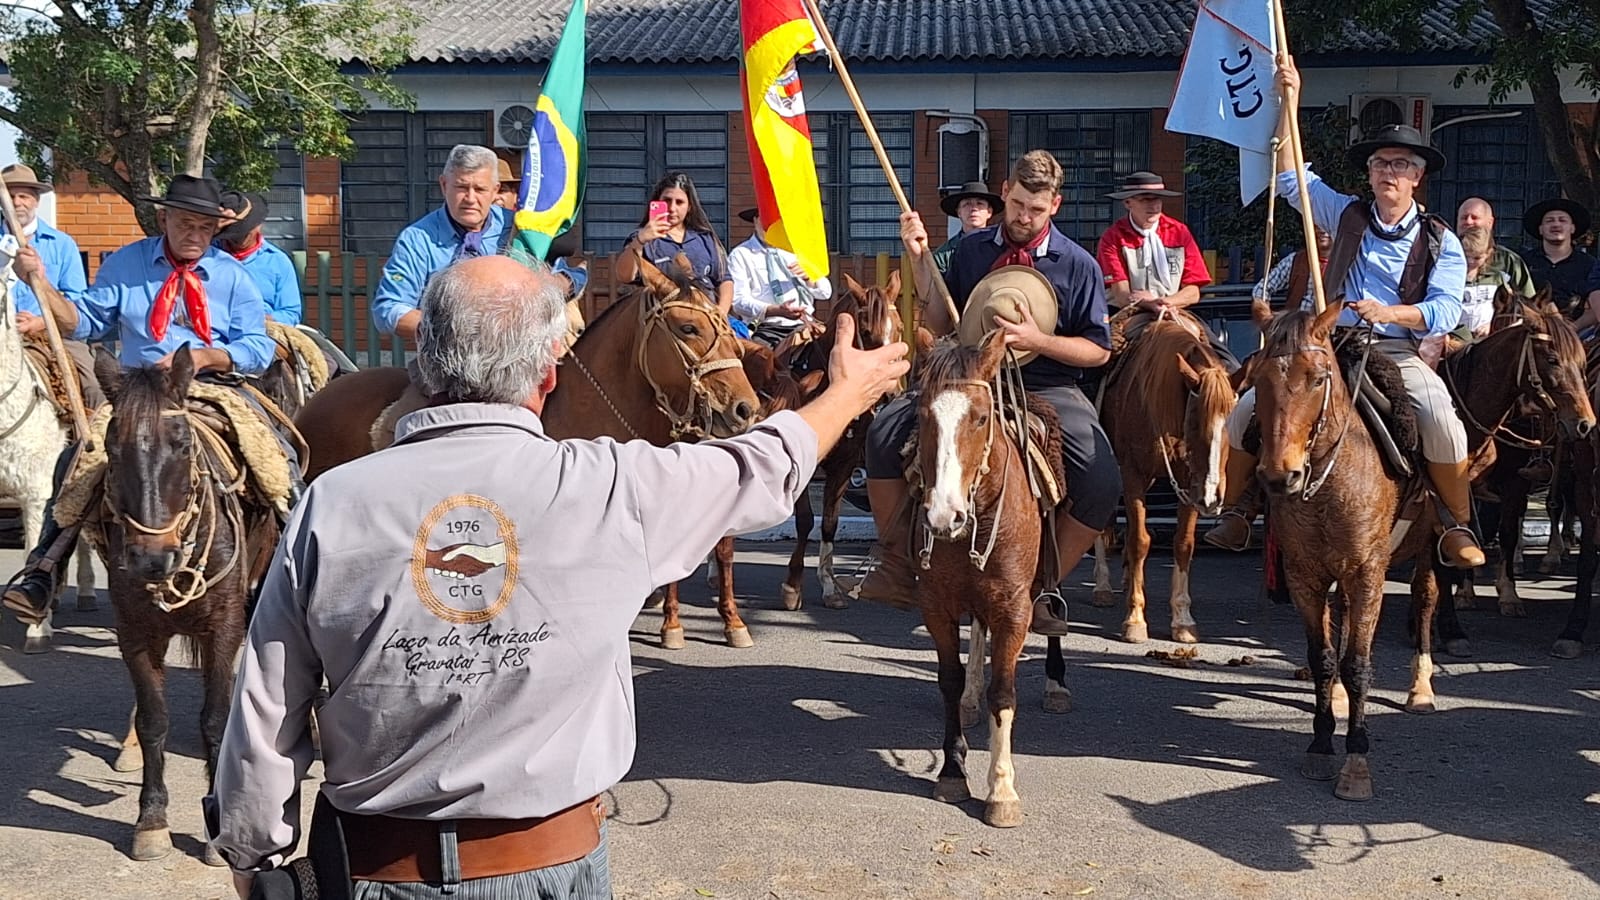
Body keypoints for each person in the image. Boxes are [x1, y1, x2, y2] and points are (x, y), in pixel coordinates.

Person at [208, 254, 910, 899]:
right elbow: (763, 465)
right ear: (549, 374)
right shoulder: (614, 485)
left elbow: (268, 701)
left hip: (375, 872)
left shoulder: (333, 502)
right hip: (553, 870)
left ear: (425, 362)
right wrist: (849, 391)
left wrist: (252, 855)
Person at [1204, 55, 1483, 570]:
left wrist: (1392, 312)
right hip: (1327, 344)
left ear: (1417, 178)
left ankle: (1454, 521)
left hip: (1393, 349)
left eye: (1400, 165)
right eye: (1381, 164)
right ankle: (1239, 508)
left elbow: (1445, 310)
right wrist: (1291, 101)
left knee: (1442, 418)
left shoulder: (1441, 240)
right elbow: (1291, 180)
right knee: (1247, 408)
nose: (1388, 173)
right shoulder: (1344, 211)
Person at [844, 150, 1121, 637]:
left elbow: (1098, 350)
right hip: (969, 380)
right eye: (1016, 203)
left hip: (1047, 384)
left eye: (1035, 209)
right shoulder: (971, 251)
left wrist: (1039, 341)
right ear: (1005, 190)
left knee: (1102, 479)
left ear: (1055, 205)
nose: (1023, 217)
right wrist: (918, 259)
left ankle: (1040, 585)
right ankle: (895, 564)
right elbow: (940, 323)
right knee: (884, 432)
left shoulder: (1078, 264)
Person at [2, 174, 278, 620]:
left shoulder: (232, 275)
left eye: (206, 228)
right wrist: (41, 284)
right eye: (187, 223)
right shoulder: (125, 265)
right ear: (163, 217)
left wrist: (208, 356)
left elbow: (258, 346)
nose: (196, 235)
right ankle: (44, 569)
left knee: (270, 453)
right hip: (138, 390)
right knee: (79, 458)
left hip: (211, 387)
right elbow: (83, 322)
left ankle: (291, 551)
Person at [371, 144, 587, 343]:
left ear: (495, 190)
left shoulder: (519, 229)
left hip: (518, 357)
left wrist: (557, 284)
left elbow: (571, 276)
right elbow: (388, 308)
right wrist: (450, 330)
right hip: (444, 360)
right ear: (444, 185)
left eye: (480, 189)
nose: (470, 198)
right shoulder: (417, 239)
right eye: (461, 187)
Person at [1097, 171, 1238, 370]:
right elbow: (1121, 295)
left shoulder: (1180, 232)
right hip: (1127, 312)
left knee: (1228, 365)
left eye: (1157, 199)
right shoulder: (1112, 238)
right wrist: (1147, 303)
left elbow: (1194, 291)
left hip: (1174, 309)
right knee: (1097, 362)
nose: (1153, 206)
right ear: (1128, 203)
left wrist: (1165, 302)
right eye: (1145, 199)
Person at [0, 163, 104, 407]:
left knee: (94, 386)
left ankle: (91, 441)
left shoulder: (62, 244)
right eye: (10, 196)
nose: (16, 203)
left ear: (36, 200)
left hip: (53, 336)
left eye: (24, 196)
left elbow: (76, 300)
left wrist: (39, 323)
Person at [614, 171, 735, 316]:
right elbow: (624, 276)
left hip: (706, 316)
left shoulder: (705, 239)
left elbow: (724, 280)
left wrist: (721, 311)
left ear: (689, 206)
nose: (672, 208)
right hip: (661, 320)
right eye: (667, 200)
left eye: (679, 202)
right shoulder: (640, 239)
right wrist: (641, 240)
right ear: (657, 202)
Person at [727, 206, 830, 346]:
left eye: (777, 222)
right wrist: (775, 310)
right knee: (761, 361)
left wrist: (810, 278)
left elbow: (825, 293)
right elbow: (738, 302)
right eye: (766, 221)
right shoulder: (741, 255)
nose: (771, 227)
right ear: (755, 220)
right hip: (765, 328)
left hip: (805, 325)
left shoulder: (799, 251)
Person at [216, 190, 302, 325]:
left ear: (258, 225)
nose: (239, 238)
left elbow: (291, 313)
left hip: (263, 329)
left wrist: (263, 319)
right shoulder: (209, 254)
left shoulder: (278, 261)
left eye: (244, 232)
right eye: (233, 233)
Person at [1521, 197, 1600, 329]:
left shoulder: (1590, 265)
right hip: (1532, 332)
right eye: (1549, 220)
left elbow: (1595, 306)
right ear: (1540, 229)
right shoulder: (1523, 262)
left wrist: (1569, 331)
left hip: (1578, 334)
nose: (1556, 224)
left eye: (1562, 220)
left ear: (1573, 228)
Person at [1455, 197, 1536, 297]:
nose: (1468, 221)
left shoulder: (1508, 261)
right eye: (1463, 217)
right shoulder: (1443, 257)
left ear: (1490, 223)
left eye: (1474, 217)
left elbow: (1528, 302)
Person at [1255, 225, 1333, 311]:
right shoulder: (1295, 260)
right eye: (1318, 225)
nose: (1322, 231)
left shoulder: (1346, 266)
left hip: (1333, 323)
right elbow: (1262, 288)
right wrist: (1266, 316)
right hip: (1298, 322)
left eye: (1326, 225)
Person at [932, 180, 1001, 273]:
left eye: (980, 203)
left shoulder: (1001, 249)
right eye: (967, 204)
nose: (974, 208)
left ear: (989, 212)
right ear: (959, 212)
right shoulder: (942, 256)